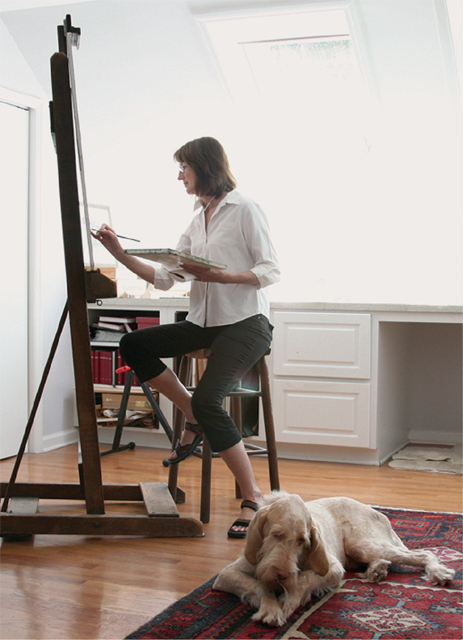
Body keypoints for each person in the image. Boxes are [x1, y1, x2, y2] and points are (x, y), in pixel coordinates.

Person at [93, 136, 280, 537]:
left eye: (184, 168)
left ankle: (254, 497)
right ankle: (193, 413)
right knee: (134, 344)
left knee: (213, 398)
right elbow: (164, 279)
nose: (180, 176)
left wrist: (222, 276)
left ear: (204, 166)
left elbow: (270, 270)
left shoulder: (245, 208)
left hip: (246, 321)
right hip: (204, 322)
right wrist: (120, 253)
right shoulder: (197, 219)